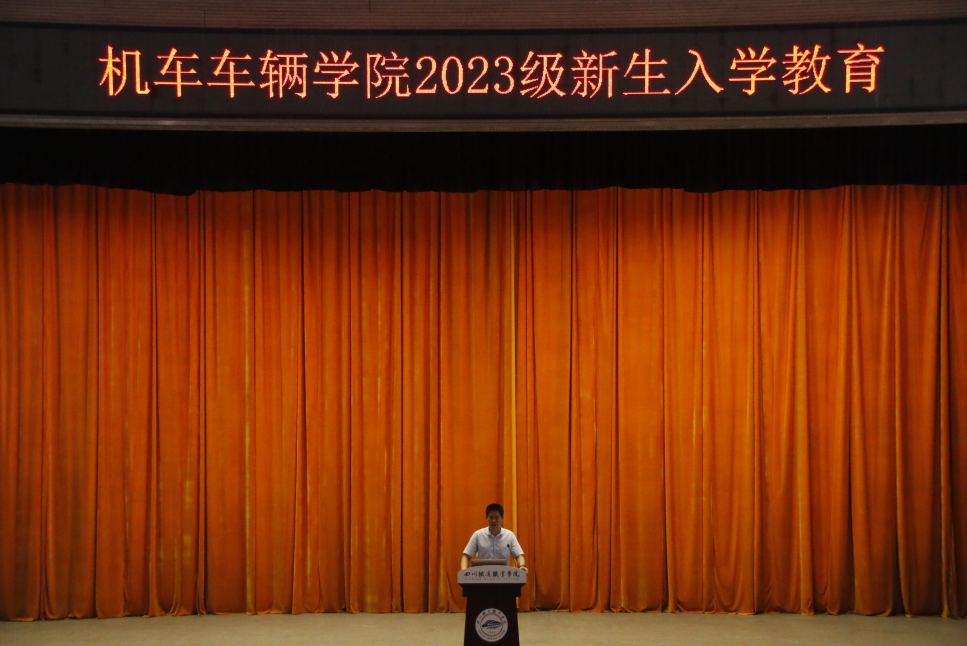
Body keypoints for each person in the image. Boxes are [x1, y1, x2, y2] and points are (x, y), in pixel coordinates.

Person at [460, 503, 527, 572]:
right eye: (491, 517)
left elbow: (519, 556)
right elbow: (466, 556)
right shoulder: (478, 535)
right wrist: (464, 571)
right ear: (486, 518)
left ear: (502, 518)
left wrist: (522, 566)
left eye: (497, 517)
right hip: (482, 575)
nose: (494, 520)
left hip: (504, 575)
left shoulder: (509, 535)